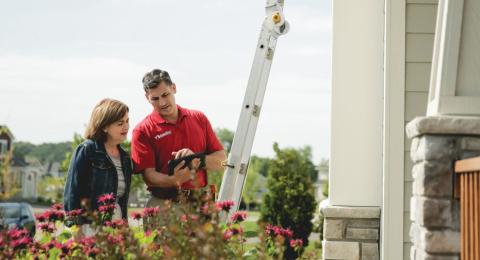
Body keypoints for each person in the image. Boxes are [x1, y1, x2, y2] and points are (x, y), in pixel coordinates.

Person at [131, 69, 226, 209]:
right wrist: (174, 180)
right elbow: (149, 176)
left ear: (174, 88)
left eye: (165, 95)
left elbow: (222, 161)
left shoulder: (199, 118)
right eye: (155, 99)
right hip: (164, 206)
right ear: (147, 97)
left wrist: (196, 160)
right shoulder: (142, 131)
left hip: (202, 205)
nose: (162, 102)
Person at [64, 98, 132, 223]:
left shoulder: (126, 158)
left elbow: (122, 200)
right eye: (120, 123)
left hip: (117, 226)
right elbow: (72, 192)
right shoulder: (87, 150)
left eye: (127, 121)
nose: (126, 126)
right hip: (89, 225)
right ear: (105, 126)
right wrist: (75, 226)